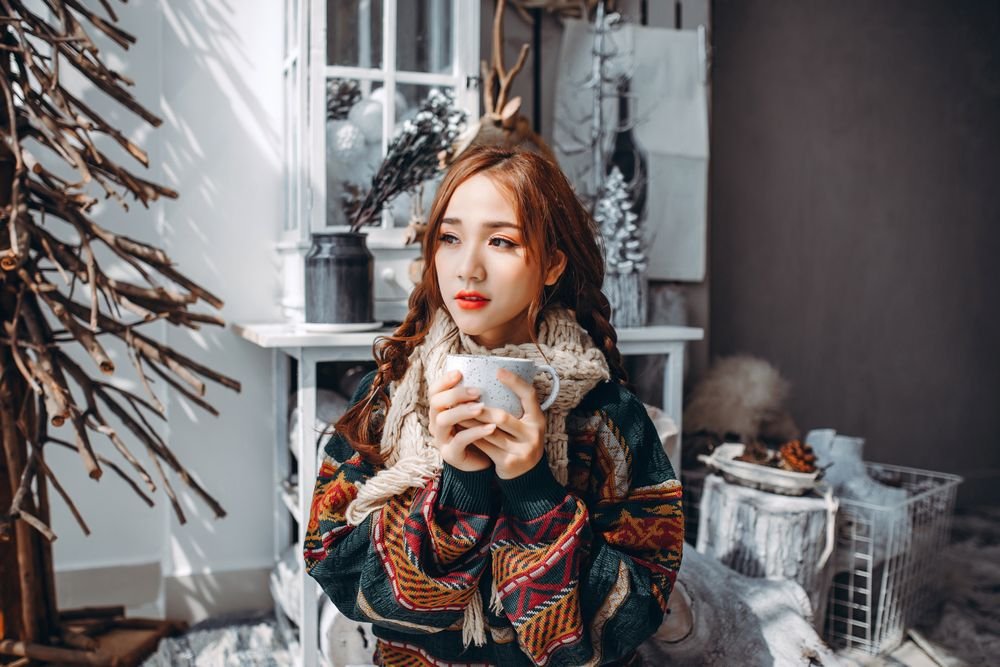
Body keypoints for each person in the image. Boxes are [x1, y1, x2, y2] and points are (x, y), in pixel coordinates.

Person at [304, 146, 684, 667]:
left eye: (501, 241)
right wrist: (459, 488)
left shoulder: (608, 418)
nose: (468, 268)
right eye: (450, 238)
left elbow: (634, 617)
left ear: (552, 263)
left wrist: (534, 493)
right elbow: (340, 574)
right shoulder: (387, 397)